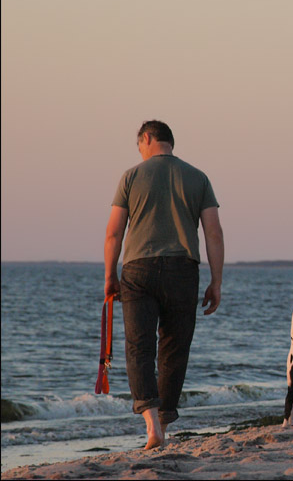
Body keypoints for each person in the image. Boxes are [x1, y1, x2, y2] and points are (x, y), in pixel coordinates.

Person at [104, 120, 224, 449]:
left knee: (138, 348)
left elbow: (114, 233)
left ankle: (151, 426)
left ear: (147, 138)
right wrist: (216, 281)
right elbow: (213, 232)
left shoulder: (130, 176)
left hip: (137, 269)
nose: (140, 152)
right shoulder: (198, 177)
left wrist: (110, 276)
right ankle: (164, 423)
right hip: (183, 270)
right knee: (174, 348)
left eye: (139, 146)